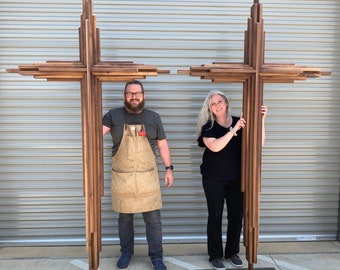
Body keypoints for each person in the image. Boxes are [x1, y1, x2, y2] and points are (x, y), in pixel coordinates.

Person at [102, 80, 174, 270]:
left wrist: (169, 168)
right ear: (124, 96)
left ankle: (157, 257)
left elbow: (162, 144)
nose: (134, 96)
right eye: (130, 93)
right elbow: (94, 134)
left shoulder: (153, 118)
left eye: (137, 93)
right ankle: (126, 253)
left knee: (153, 220)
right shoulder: (113, 115)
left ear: (144, 95)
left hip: (147, 178)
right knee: (124, 219)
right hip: (123, 178)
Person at [196, 90, 268, 270]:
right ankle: (215, 255)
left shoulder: (239, 121)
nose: (217, 105)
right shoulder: (209, 126)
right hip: (213, 178)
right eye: (213, 103)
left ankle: (232, 252)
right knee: (215, 215)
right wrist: (233, 130)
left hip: (237, 178)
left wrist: (261, 120)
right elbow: (215, 147)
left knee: (236, 215)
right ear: (209, 108)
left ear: (226, 103)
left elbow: (258, 143)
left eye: (220, 101)